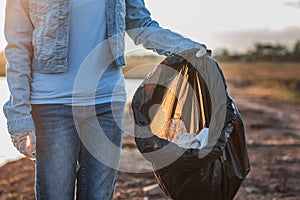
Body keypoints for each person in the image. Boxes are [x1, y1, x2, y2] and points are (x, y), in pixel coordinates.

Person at [3, 0, 207, 199]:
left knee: (99, 196)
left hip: (106, 105)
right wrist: (19, 116)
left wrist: (187, 48)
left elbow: (141, 25)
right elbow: (18, 47)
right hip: (51, 106)